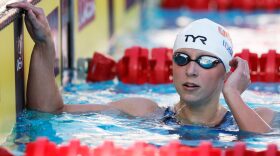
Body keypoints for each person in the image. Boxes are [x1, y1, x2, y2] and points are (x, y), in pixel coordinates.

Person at [7, 2, 277, 134]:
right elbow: (49, 112)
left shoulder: (261, 117)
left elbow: (259, 143)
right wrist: (44, 44)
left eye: (206, 61)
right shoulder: (145, 111)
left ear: (226, 71)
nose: (191, 70)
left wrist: (234, 94)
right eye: (182, 58)